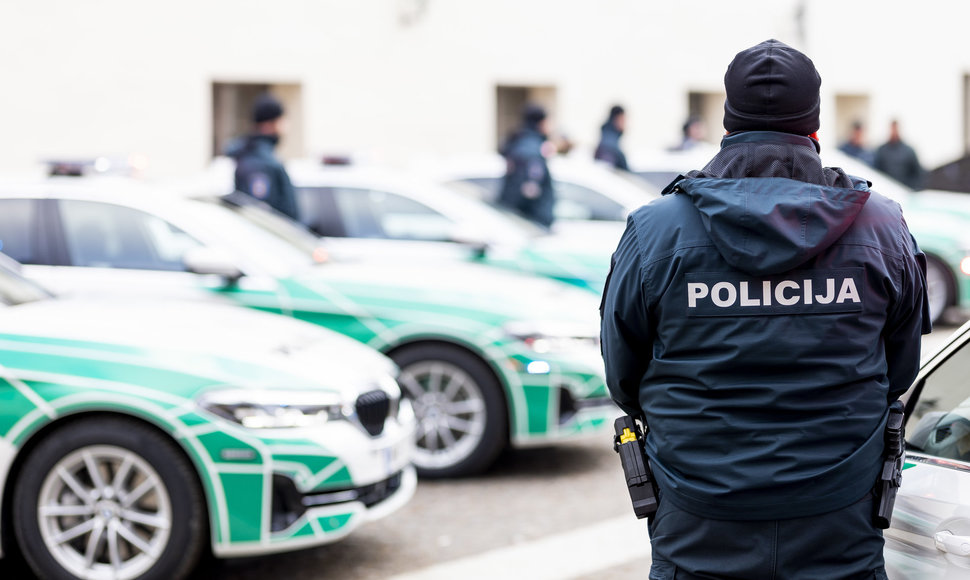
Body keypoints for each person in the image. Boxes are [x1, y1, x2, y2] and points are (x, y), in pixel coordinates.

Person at [600, 39, 930, 579]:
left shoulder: (655, 231)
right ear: (815, 127)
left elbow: (623, 376)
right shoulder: (882, 228)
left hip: (700, 520)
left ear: (726, 124)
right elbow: (900, 370)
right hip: (839, 518)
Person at [231, 94, 300, 220]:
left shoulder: (251, 155)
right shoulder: (262, 162)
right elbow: (264, 214)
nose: (285, 128)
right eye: (281, 121)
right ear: (269, 124)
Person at [497, 103, 556, 228]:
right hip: (533, 224)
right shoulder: (530, 150)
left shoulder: (521, 143)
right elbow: (529, 190)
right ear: (541, 123)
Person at [874, 119, 925, 189]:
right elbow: (875, 171)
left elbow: (918, 174)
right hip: (886, 189)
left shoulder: (909, 151)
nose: (894, 131)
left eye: (896, 128)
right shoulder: (881, 150)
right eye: (892, 129)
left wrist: (912, 189)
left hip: (904, 190)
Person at [594, 105, 629, 170]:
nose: (625, 124)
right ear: (617, 119)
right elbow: (606, 170)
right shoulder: (609, 148)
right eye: (623, 120)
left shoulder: (608, 142)